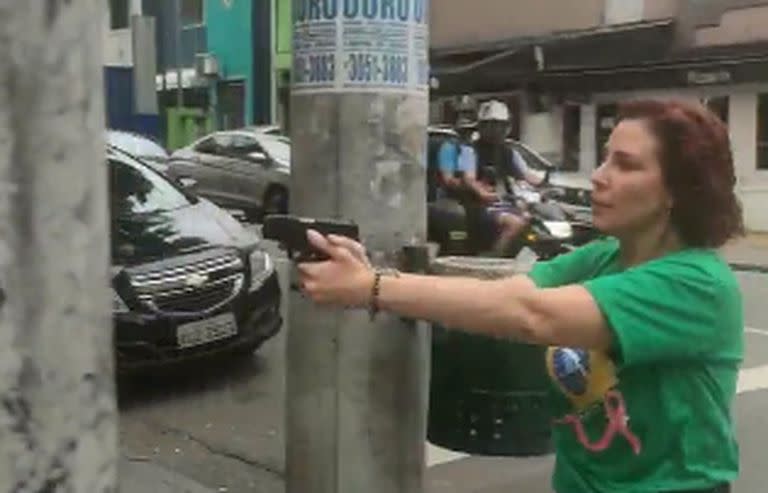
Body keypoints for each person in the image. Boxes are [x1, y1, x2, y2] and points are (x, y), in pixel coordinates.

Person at [298, 99, 744, 493]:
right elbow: (509, 293)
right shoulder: (603, 257)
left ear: (676, 191)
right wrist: (373, 275)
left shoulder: (697, 284)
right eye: (606, 159)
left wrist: (371, 288)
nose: (599, 176)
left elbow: (531, 316)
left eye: (626, 165)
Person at [473, 100, 545, 253]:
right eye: (491, 125)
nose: (496, 130)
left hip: (503, 203)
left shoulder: (508, 152)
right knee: (515, 224)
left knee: (535, 218)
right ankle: (492, 261)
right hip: (480, 205)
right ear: (481, 127)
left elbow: (526, 175)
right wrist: (481, 191)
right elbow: (466, 180)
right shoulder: (471, 151)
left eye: (500, 125)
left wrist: (547, 183)